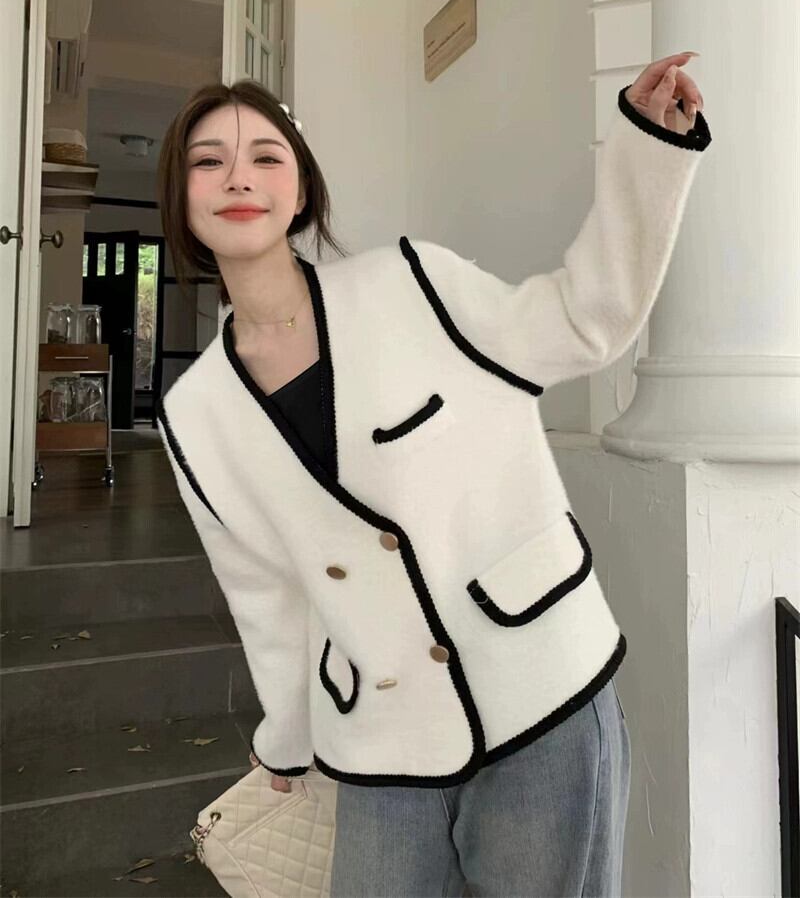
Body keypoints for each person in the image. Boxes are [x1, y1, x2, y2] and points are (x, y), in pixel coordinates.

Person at [155, 54, 710, 897]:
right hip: (381, 734)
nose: (239, 176)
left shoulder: (410, 282)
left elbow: (582, 320)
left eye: (266, 155)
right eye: (209, 160)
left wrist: (645, 150)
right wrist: (288, 740)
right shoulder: (194, 413)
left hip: (541, 693)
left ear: (300, 192)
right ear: (183, 198)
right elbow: (263, 590)